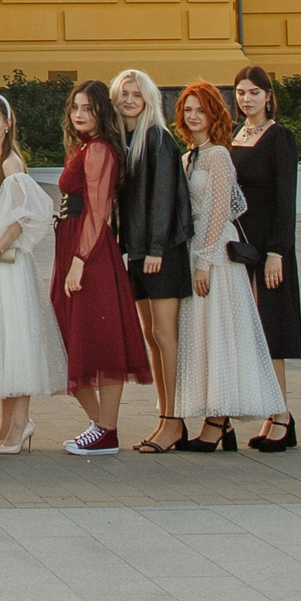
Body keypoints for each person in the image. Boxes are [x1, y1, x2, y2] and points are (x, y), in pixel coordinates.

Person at [170, 84, 287, 450]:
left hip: (215, 254)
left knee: (218, 333)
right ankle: (220, 423)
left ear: (214, 116)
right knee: (202, 336)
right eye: (188, 110)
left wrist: (204, 262)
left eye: (200, 110)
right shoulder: (190, 156)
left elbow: (221, 210)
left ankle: (217, 422)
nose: (193, 116)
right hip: (195, 250)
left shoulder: (219, 155)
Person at [0, 93, 69, 453]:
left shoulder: (10, 164)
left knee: (15, 341)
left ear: (7, 123)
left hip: (4, 264)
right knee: (0, 341)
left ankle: (19, 427)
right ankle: (9, 427)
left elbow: (26, 215)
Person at [54, 80, 148, 455]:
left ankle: (106, 429)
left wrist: (79, 261)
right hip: (72, 247)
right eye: (75, 108)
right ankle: (100, 426)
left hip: (88, 253)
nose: (79, 115)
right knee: (76, 336)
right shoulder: (84, 147)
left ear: (101, 113)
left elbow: (99, 211)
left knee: (101, 342)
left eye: (88, 109)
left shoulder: (98, 150)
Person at [112, 69, 192, 453]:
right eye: (123, 93)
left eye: (136, 94)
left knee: (164, 335)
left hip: (161, 252)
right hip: (138, 251)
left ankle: (173, 420)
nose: (129, 99)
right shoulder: (123, 141)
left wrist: (157, 249)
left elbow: (164, 198)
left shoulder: (157, 139)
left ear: (148, 99)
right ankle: (164, 415)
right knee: (151, 337)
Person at [227, 66, 301, 450]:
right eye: (241, 92)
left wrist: (277, 252)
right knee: (248, 335)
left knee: (270, 332)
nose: (247, 98)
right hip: (237, 248)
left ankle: (282, 416)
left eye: (254, 92)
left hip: (268, 249)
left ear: (268, 96)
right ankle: (268, 412)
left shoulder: (279, 138)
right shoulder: (234, 135)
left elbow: (286, 201)